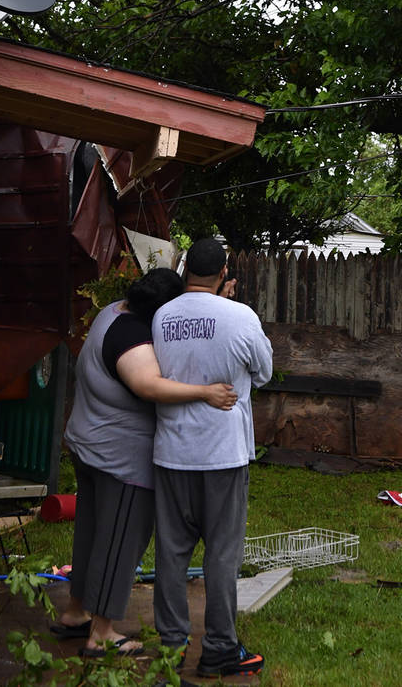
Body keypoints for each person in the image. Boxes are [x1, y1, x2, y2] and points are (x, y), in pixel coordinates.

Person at [54, 267, 237, 659]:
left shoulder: (112, 314)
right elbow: (148, 385)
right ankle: (101, 633)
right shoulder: (132, 338)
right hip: (121, 458)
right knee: (120, 540)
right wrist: (205, 392)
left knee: (90, 534)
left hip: (89, 444)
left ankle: (76, 613)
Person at [151, 238, 273, 679]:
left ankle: (171, 646)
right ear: (224, 273)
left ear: (187, 271)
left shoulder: (162, 317)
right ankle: (220, 647)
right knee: (222, 555)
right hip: (222, 453)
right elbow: (264, 372)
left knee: (171, 553)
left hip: (170, 452)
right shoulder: (240, 316)